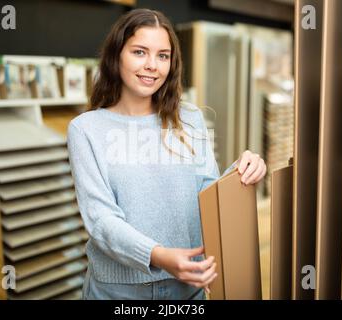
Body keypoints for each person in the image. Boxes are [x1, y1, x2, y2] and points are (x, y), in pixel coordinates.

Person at [67, 8, 267, 300]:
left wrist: (242, 171)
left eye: (163, 55)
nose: (152, 65)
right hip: (119, 292)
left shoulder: (189, 118)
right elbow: (100, 219)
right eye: (139, 52)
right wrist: (158, 256)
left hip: (188, 286)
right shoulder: (86, 129)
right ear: (116, 56)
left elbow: (205, 192)